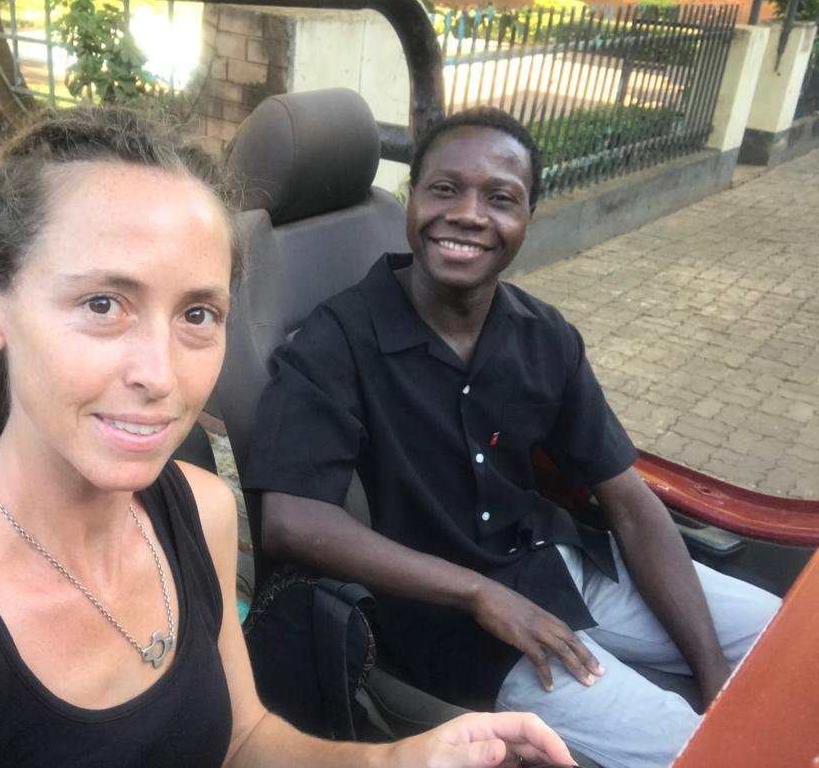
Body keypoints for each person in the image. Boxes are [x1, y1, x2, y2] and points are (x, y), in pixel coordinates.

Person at [0, 106, 574, 768]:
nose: (160, 374)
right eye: (104, 304)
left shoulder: (200, 509)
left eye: (197, 314)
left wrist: (403, 755)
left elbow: (244, 739)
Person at [242, 107, 781, 768]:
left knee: (792, 643)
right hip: (450, 627)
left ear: (528, 217)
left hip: (561, 564)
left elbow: (630, 502)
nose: (469, 213)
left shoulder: (542, 333)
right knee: (715, 750)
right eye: (445, 189)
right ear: (413, 198)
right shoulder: (338, 341)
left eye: (501, 197)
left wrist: (712, 672)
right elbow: (290, 521)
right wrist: (480, 591)